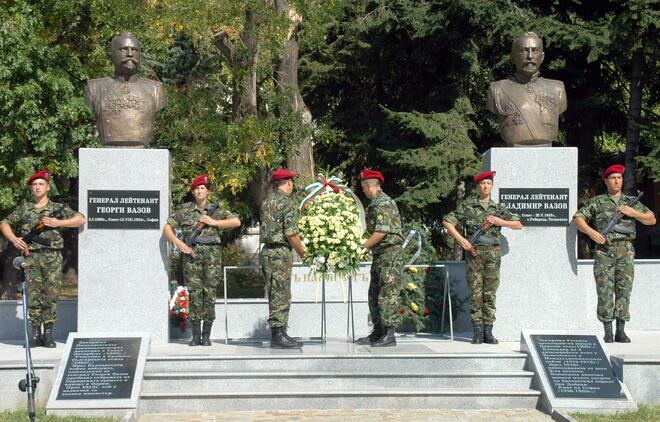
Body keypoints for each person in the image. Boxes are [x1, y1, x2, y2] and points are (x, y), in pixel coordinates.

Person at [0, 170, 85, 347]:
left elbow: (80, 219)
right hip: (30, 258)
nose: (38, 187)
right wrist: (14, 239)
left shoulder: (56, 209)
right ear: (31, 188)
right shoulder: (24, 208)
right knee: (32, 295)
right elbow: (4, 223)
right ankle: (35, 334)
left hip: (52, 257)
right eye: (35, 185)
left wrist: (58, 223)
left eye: (41, 184)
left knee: (50, 296)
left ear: (47, 187)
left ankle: (48, 334)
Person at [573, 164, 656, 343]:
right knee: (604, 290)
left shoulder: (630, 200)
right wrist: (592, 233)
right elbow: (577, 218)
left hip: (625, 251)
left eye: (619, 177)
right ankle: (607, 330)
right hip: (604, 251)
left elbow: (652, 219)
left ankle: (621, 330)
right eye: (612, 178)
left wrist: (633, 212)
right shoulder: (598, 201)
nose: (616, 181)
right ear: (606, 181)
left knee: (624, 290)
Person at [443, 171, 522, 344]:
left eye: (488, 183)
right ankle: (477, 331)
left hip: (493, 256)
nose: (485, 186)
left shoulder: (498, 209)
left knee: (490, 293)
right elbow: (447, 221)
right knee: (475, 292)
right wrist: (461, 239)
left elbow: (518, 224)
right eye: (482, 183)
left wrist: (502, 222)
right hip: (475, 255)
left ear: (492, 186)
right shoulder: (468, 206)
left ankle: (489, 331)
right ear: (478, 186)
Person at [163, 174, 241, 346]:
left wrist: (213, 222)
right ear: (193, 192)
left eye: (203, 188)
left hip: (212, 257)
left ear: (208, 191)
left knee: (210, 293)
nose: (199, 191)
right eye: (197, 188)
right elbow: (167, 228)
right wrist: (178, 242)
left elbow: (236, 222)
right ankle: (195, 336)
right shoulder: (184, 210)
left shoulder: (217, 209)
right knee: (195, 294)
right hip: (192, 256)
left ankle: (206, 336)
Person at [85, 32, 166, 148]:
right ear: (111, 55)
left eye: (134, 50)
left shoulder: (155, 89)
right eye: (123, 49)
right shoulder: (94, 87)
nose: (129, 54)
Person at [487, 32, 567, 147]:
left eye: (535, 50)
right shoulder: (497, 90)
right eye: (524, 50)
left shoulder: (557, 89)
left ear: (542, 56)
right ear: (513, 57)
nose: (530, 56)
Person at [260, 168, 306, 349]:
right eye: (291, 182)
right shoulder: (287, 203)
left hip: (267, 253)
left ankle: (280, 333)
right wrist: (302, 252)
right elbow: (291, 233)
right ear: (287, 183)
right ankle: (278, 336)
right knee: (281, 294)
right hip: (280, 253)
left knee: (274, 293)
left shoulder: (266, 202)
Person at [357, 169, 404, 347]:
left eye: (363, 187)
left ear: (370, 185)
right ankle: (378, 331)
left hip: (390, 255)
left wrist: (363, 247)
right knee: (374, 294)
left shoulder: (383, 203)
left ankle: (389, 334)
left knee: (388, 294)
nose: (363, 191)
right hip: (380, 255)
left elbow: (381, 232)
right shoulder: (375, 203)